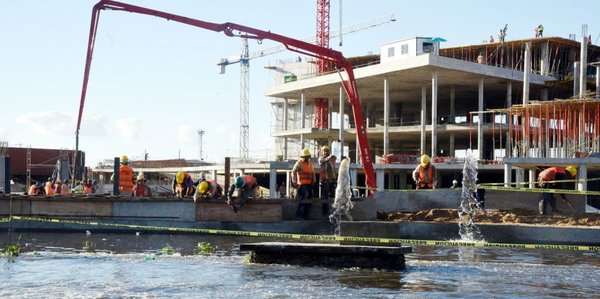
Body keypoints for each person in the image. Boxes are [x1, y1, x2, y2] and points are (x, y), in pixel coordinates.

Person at [292, 148, 317, 219]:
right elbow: (293, 172)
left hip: (309, 184)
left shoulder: (310, 163)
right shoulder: (299, 163)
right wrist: (294, 182)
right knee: (305, 195)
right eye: (305, 157)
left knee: (310, 196)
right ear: (302, 157)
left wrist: (314, 181)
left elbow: (313, 173)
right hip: (302, 184)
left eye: (307, 157)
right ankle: (300, 213)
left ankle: (305, 213)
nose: (306, 158)